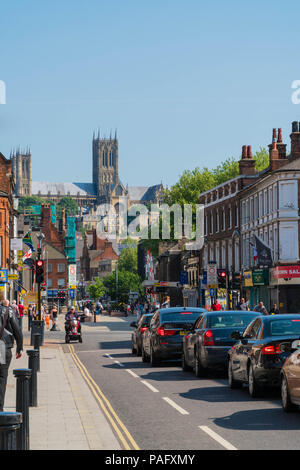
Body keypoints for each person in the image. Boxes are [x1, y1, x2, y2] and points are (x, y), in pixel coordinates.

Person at [0, 299, 23, 412]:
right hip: (3, 347)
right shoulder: (8, 311)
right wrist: (20, 348)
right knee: (2, 377)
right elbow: (17, 330)